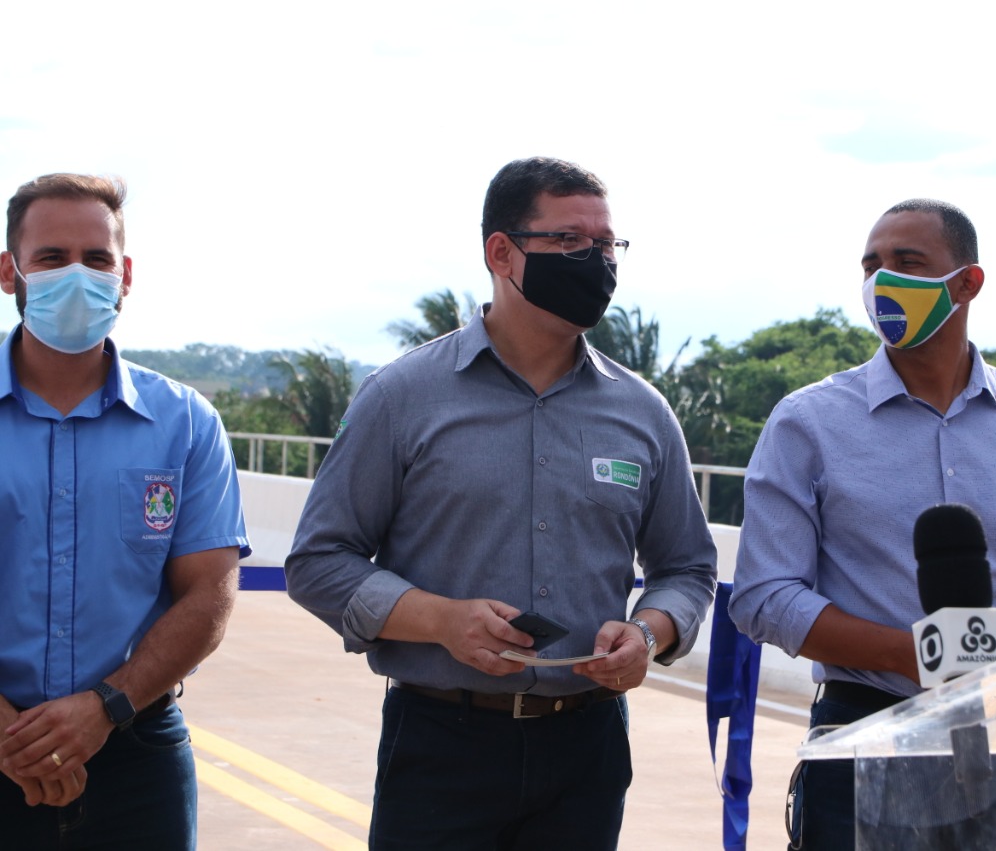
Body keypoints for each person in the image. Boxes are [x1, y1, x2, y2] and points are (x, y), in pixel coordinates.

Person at [285, 156, 717, 850]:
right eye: (570, 241)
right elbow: (318, 561)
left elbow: (688, 567)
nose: (597, 261)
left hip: (588, 749)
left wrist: (649, 633)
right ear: (501, 253)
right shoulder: (401, 396)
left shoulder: (643, 412)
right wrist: (441, 620)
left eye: (608, 244)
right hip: (441, 745)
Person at [728, 198, 996, 849]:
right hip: (863, 730)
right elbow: (765, 595)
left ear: (967, 283)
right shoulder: (807, 422)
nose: (883, 281)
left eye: (908, 263)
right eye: (871, 266)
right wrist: (918, 655)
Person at [0, 173, 250, 849]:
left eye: (96, 258)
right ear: (9, 271)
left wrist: (104, 708)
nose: (76, 275)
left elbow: (208, 593)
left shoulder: (185, 423)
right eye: (52, 257)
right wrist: (11, 735)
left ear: (125, 275)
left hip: (135, 751)